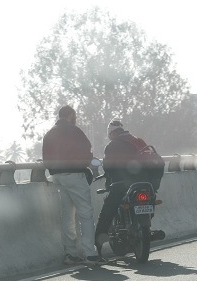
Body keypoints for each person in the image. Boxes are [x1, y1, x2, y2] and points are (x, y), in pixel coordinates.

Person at [42, 105, 104, 265]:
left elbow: (45, 158)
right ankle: (90, 254)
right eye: (74, 116)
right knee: (85, 213)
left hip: (58, 177)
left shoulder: (50, 133)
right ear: (70, 115)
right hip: (75, 175)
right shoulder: (75, 131)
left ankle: (71, 253)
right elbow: (87, 151)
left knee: (67, 215)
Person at [94, 119, 164, 253]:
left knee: (108, 209)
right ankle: (146, 228)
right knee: (150, 200)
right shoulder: (139, 141)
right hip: (146, 183)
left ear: (112, 133)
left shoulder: (112, 146)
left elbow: (108, 167)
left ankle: (98, 245)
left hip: (122, 185)